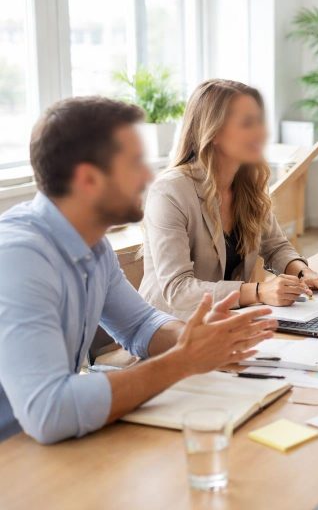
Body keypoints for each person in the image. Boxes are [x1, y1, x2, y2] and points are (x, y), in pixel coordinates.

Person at [0, 97, 277, 444]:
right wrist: (183, 360)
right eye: (134, 163)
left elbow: (140, 325)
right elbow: (49, 412)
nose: (148, 176)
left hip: (49, 444)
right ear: (88, 179)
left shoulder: (93, 245)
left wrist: (198, 341)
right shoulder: (18, 257)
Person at [140, 79, 318, 320]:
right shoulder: (169, 192)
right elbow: (178, 290)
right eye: (247, 123)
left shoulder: (247, 183)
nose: (261, 132)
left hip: (224, 320)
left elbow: (275, 246)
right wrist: (258, 291)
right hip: (170, 327)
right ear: (213, 133)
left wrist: (303, 273)